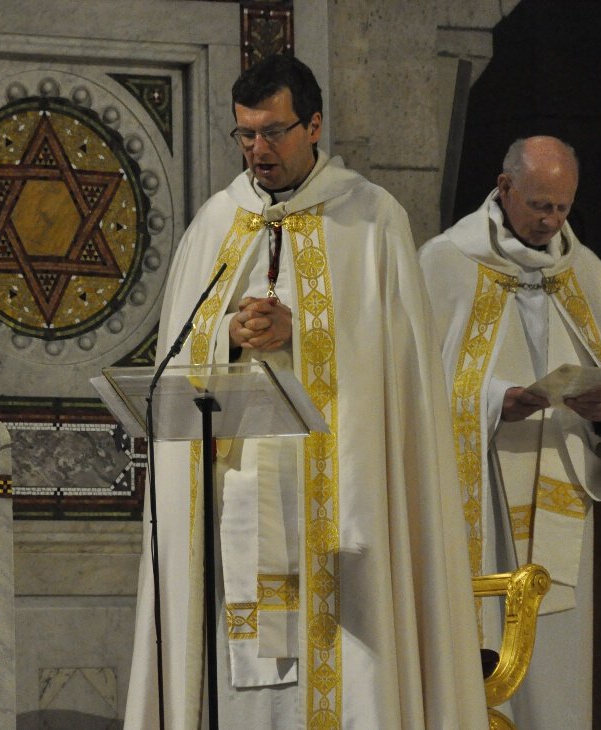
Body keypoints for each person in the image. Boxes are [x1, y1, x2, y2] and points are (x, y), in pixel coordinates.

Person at [123, 54, 487, 729]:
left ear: (314, 125)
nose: (258, 151)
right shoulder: (215, 223)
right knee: (241, 678)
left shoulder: (373, 221)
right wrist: (228, 333)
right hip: (238, 495)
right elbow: (178, 354)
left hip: (338, 501)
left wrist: (305, 333)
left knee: (342, 676)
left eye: (274, 133)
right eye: (246, 135)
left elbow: (401, 371)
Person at [419, 136, 601, 728]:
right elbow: (413, 393)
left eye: (563, 207)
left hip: (571, 518)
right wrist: (494, 403)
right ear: (505, 187)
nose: (551, 221)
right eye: (540, 205)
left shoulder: (585, 273)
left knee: (570, 671)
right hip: (483, 510)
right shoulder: (444, 264)